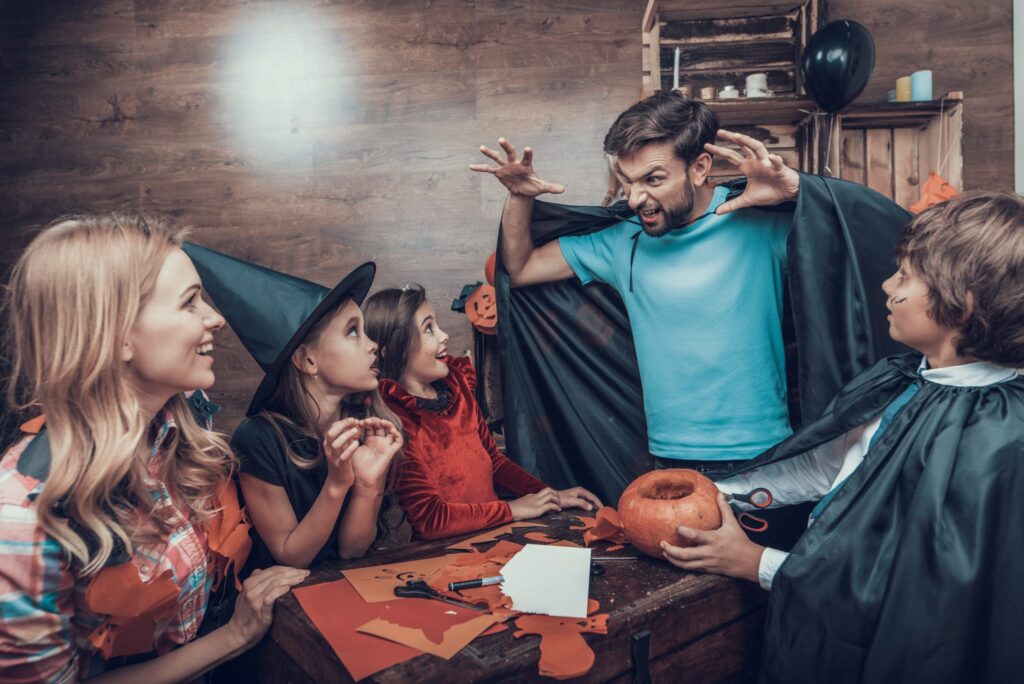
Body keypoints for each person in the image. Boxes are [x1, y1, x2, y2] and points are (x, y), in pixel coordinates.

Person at [472, 90, 910, 530]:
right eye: (627, 180)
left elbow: (879, 243)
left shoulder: (757, 220)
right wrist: (520, 198)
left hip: (764, 455)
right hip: (667, 458)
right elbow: (521, 269)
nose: (635, 197)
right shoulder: (620, 241)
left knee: (760, 582)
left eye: (653, 179)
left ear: (699, 167)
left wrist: (801, 191)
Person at [659, 191, 1024, 682]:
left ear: (963, 304)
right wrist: (714, 493)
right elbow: (834, 463)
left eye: (906, 276)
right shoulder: (906, 378)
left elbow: (916, 603)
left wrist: (754, 562)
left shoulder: (999, 440)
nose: (886, 284)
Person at [0, 214, 307, 683]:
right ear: (117, 333)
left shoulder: (174, 424)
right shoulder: (24, 516)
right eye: (190, 303)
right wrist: (235, 636)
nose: (215, 318)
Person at [181, 244, 403, 572]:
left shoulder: (361, 424)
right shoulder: (258, 438)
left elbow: (353, 551)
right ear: (307, 359)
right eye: (353, 332)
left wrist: (369, 486)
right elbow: (293, 556)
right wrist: (337, 484)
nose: (372, 345)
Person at [363, 286, 602, 540]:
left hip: (494, 533)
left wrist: (550, 495)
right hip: (445, 553)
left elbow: (493, 461)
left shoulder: (457, 388)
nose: (444, 336)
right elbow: (430, 520)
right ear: (392, 349)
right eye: (429, 328)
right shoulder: (394, 419)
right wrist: (511, 509)